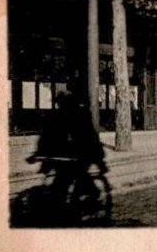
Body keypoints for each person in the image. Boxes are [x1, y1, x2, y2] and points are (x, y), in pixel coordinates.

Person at [27, 93, 108, 223]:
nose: (61, 106)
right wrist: (38, 154)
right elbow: (45, 138)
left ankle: (89, 200)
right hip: (63, 159)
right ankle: (64, 209)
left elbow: (90, 139)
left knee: (77, 179)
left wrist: (98, 159)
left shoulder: (77, 117)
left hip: (77, 158)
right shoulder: (57, 118)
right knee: (60, 187)